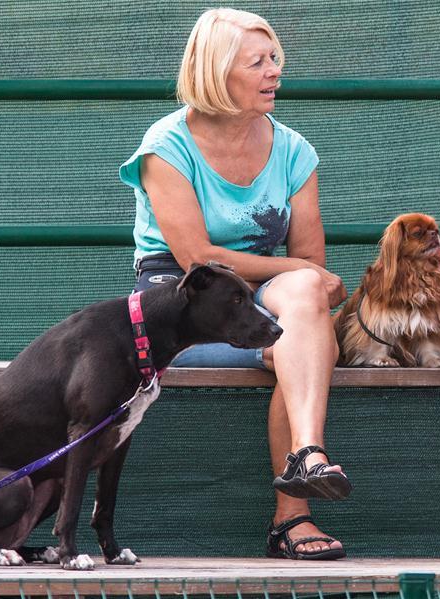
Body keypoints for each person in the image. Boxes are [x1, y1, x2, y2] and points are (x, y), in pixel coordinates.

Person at [119, 8, 350, 561]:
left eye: (275, 59)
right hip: (183, 297)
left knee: (303, 309)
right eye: (258, 63)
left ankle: (308, 459)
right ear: (216, 72)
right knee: (303, 325)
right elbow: (196, 257)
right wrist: (308, 282)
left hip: (256, 296)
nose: (274, 72)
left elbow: (308, 264)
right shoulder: (165, 145)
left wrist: (308, 285)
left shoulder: (294, 150)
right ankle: (293, 520)